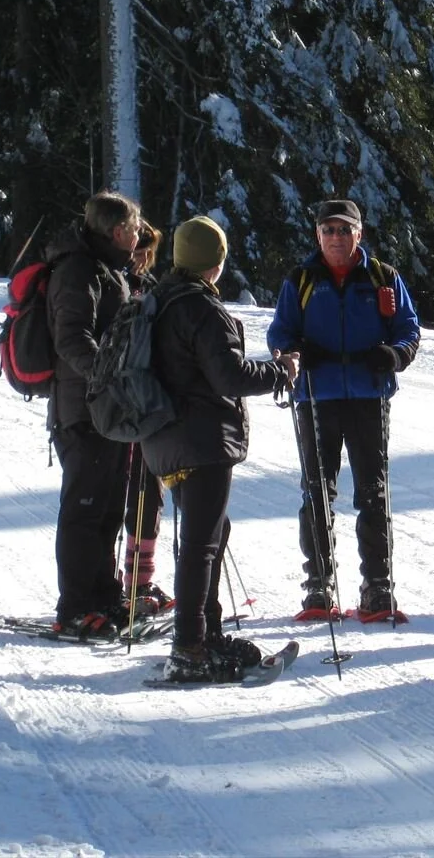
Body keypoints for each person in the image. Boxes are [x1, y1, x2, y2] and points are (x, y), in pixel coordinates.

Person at [141, 216, 298, 681]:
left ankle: (205, 633)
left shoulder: (158, 300)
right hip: (202, 439)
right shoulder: (203, 310)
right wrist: (280, 371)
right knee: (201, 544)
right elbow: (229, 376)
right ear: (216, 262)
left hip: (163, 437)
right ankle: (189, 647)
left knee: (208, 535)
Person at [267, 199, 421, 618]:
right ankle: (318, 587)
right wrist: (295, 353)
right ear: (317, 235)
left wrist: (395, 355)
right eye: (328, 229)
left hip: (369, 398)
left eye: (343, 229)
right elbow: (279, 333)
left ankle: (378, 587)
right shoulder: (300, 280)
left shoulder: (382, 277)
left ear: (359, 233)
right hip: (316, 397)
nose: (336, 237)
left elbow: (410, 330)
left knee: (373, 493)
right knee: (316, 492)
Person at [43, 191, 142, 637]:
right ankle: (75, 606)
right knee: (83, 509)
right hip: (82, 410)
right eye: (136, 229)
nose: (140, 237)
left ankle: (103, 594)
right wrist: (109, 378)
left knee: (106, 507)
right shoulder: (77, 269)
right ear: (118, 230)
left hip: (106, 410)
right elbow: (71, 339)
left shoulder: (104, 268)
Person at [121, 220, 171, 616]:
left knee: (147, 491)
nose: (140, 258)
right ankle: (130, 585)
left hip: (144, 405)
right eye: (138, 249)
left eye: (146, 251)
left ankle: (138, 580)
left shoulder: (150, 288)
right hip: (123, 407)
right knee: (133, 492)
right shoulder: (118, 287)